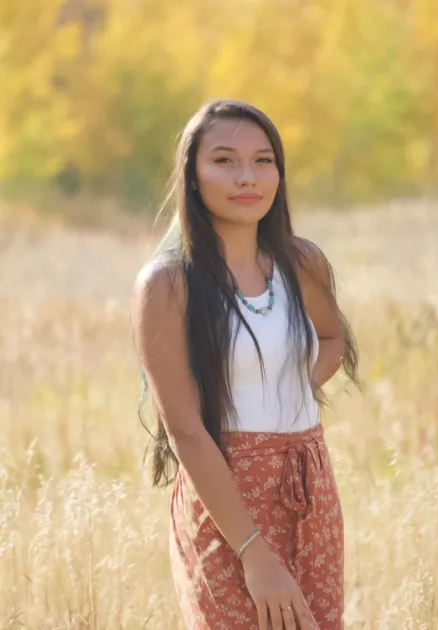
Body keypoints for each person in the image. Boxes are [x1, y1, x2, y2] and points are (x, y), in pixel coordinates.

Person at [131, 99, 359, 630]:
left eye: (263, 161)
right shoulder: (167, 284)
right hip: (225, 499)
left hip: (311, 484)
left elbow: (332, 336)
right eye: (225, 160)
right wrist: (254, 553)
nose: (247, 177)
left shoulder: (302, 262)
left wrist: (286, 385)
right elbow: (185, 431)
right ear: (192, 175)